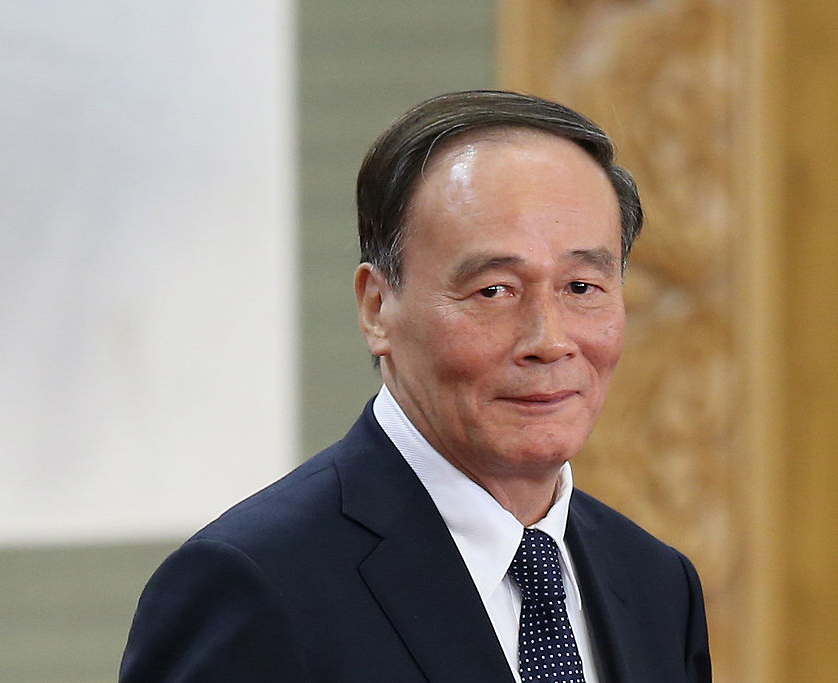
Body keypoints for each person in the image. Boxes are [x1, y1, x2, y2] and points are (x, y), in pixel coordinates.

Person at [120, 90, 711, 682]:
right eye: (494, 291)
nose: (549, 341)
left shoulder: (657, 584)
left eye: (581, 287)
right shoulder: (255, 586)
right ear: (377, 308)